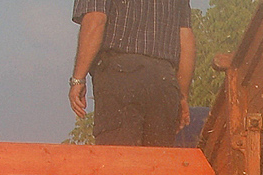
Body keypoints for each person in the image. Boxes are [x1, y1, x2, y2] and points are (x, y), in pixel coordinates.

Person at [70, 0, 195, 147]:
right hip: (165, 81)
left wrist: (78, 79)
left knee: (118, 162)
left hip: (120, 77)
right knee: (157, 163)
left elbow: (95, 20)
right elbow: (186, 37)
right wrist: (182, 96)